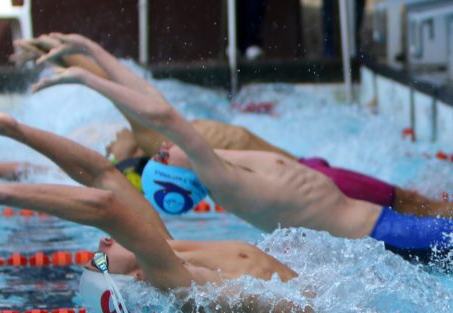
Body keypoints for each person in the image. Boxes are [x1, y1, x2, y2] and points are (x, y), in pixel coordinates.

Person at [0, 107, 360, 313]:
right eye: (101, 261)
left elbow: (102, 175)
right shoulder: (181, 289)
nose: (101, 244)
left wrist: (19, 132)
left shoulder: (172, 257)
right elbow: (106, 208)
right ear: (132, 283)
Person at [26, 33, 452, 262]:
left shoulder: (214, 165)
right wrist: (85, 75)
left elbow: (146, 96)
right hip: (386, 235)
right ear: (180, 174)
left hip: (376, 223)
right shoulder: (222, 181)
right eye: (162, 157)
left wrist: (88, 49)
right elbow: (160, 114)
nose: (162, 148)